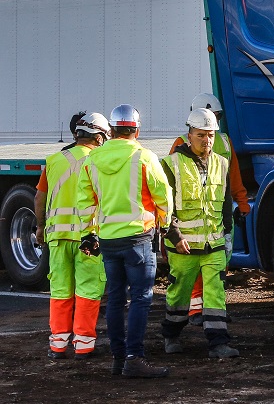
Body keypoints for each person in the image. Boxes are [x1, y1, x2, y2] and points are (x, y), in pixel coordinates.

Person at [78, 104, 173, 378]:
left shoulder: (92, 159)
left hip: (108, 240)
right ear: (136, 130)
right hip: (138, 239)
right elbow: (162, 195)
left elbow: (85, 201)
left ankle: (119, 359)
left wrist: (89, 232)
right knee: (141, 298)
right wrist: (166, 225)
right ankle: (134, 358)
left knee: (116, 300)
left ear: (111, 131)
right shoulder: (144, 157)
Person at [160, 108, 240, 359]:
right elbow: (163, 206)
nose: (207, 141)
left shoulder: (221, 163)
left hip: (213, 244)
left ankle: (218, 343)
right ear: (189, 135)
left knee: (215, 293)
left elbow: (225, 203)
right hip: (183, 247)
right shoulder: (171, 164)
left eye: (211, 136)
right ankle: (171, 334)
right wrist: (174, 236)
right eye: (201, 135)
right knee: (179, 294)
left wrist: (227, 235)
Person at [34, 112, 110, 359]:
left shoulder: (53, 160)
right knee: (88, 289)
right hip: (88, 238)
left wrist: (39, 227)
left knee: (60, 290)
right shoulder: (100, 161)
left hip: (57, 238)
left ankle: (57, 345)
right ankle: (84, 346)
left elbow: (39, 198)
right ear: (99, 138)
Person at [171, 93, 249, 325]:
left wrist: (242, 202)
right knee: (195, 262)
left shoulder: (224, 142)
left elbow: (233, 176)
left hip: (218, 213)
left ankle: (214, 309)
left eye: (214, 118)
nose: (210, 122)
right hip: (192, 214)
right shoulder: (180, 145)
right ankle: (196, 309)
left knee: (219, 263)